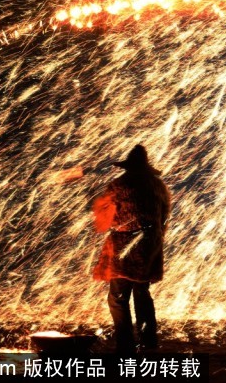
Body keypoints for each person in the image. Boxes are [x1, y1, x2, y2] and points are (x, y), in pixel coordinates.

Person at [93, 144, 172, 354]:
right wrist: (154, 239)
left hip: (123, 244)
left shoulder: (119, 185)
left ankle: (125, 344)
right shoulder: (158, 186)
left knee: (118, 297)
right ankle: (148, 341)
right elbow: (164, 217)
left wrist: (97, 206)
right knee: (142, 292)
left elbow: (102, 222)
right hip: (149, 243)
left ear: (128, 167)